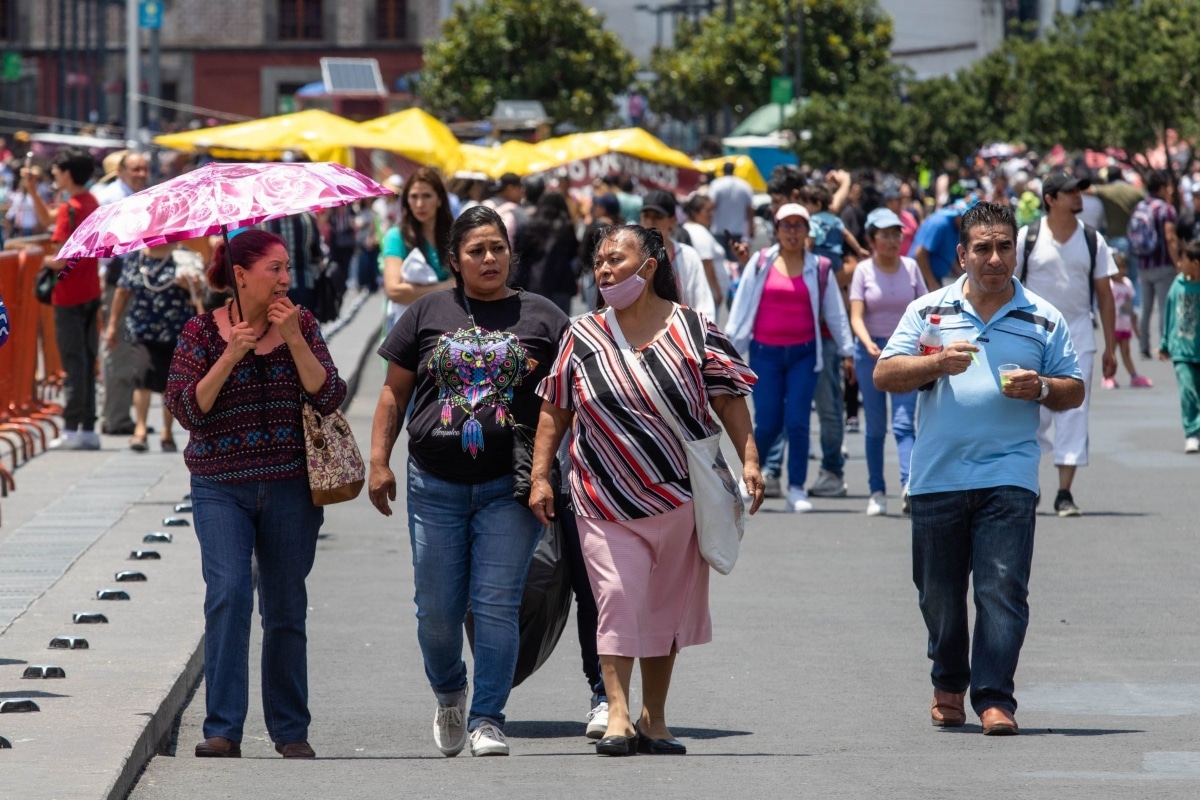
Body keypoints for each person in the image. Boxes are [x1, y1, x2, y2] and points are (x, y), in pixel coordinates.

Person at [528, 223, 763, 757]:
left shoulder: (696, 330)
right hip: (600, 497)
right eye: (600, 261)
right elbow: (555, 409)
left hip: (679, 498)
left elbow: (728, 399)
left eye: (617, 259)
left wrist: (749, 457)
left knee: (664, 608)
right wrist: (542, 475)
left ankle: (654, 718)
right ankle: (615, 711)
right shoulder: (582, 335)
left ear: (650, 265)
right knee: (615, 601)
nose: (605, 269)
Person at [874, 202, 1084, 736]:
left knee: (1002, 589)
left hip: (1009, 477)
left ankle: (994, 696)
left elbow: (1073, 387)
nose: (995, 258)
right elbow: (885, 373)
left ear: (1016, 250)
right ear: (962, 253)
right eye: (983, 248)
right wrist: (936, 363)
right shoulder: (929, 312)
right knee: (938, 592)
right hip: (937, 476)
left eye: (1005, 247)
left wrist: (1039, 386)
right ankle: (948, 682)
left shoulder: (1043, 316)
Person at [368, 206, 568, 758]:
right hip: (434, 484)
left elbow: (563, 403)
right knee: (436, 609)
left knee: (496, 603)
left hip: (511, 488)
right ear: (454, 259)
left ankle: (487, 717)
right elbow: (393, 392)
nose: (489, 259)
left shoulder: (545, 318)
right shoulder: (426, 311)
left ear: (511, 254)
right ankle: (450, 689)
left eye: (498, 248)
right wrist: (379, 461)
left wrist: (547, 475)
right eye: (477, 250)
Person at [164, 229, 347, 759]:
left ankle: (290, 730)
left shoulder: (303, 323)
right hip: (221, 485)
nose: (286, 278)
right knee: (229, 596)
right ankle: (222, 727)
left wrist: (291, 339)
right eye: (275, 268)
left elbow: (330, 394)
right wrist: (230, 355)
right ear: (241, 275)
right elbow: (187, 411)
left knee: (286, 606)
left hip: (291, 484)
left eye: (287, 267)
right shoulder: (200, 331)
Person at [726, 203, 853, 513]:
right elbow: (741, 308)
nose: (793, 231)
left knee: (797, 423)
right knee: (767, 423)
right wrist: (726, 350)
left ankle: (796, 488)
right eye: (787, 225)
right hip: (764, 354)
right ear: (777, 230)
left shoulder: (820, 267)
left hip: (804, 355)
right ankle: (748, 479)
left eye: (799, 225)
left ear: (808, 232)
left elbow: (836, 313)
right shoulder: (759, 262)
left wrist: (848, 351)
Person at [1014, 171, 1117, 517]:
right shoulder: (1027, 237)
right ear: (1050, 198)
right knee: (1030, 413)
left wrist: (1111, 347)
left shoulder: (1093, 240)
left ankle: (1064, 493)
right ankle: (1029, 483)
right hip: (1032, 338)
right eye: (1070, 191)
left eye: (1080, 190)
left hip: (1078, 337)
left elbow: (1105, 295)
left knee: (1074, 413)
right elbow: (1009, 288)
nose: (1079, 196)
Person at [848, 208, 927, 516]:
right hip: (871, 352)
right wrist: (866, 341)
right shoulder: (863, 271)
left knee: (905, 422)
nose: (893, 241)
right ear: (872, 240)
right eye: (886, 235)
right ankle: (877, 491)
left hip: (905, 351)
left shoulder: (910, 268)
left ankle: (909, 486)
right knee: (876, 428)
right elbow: (855, 314)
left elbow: (926, 308)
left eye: (897, 234)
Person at [25, 147, 103, 450]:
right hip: (90, 292)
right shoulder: (90, 202)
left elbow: (59, 258)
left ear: (67, 173)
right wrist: (32, 191)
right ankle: (88, 427)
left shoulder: (70, 206)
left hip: (68, 295)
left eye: (56, 171)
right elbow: (49, 218)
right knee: (87, 360)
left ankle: (71, 428)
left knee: (73, 363)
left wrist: (42, 261)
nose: (54, 175)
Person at [96, 152, 151, 437]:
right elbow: (109, 246)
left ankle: (120, 415)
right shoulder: (112, 198)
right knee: (116, 348)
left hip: (129, 282)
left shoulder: (135, 196)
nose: (141, 173)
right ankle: (115, 418)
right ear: (120, 171)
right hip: (118, 283)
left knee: (127, 351)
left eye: (144, 168)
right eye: (135, 169)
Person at [380, 167, 455, 335]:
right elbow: (394, 291)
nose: (420, 204)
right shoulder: (396, 236)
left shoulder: (456, 234)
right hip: (409, 328)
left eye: (426, 196)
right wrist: (446, 288)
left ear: (440, 199)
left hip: (449, 325)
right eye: (414, 196)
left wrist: (415, 291)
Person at [638, 190, 716, 320]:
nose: (651, 222)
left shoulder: (688, 256)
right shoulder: (632, 255)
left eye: (658, 216)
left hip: (680, 333)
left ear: (672, 220)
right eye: (646, 216)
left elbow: (703, 304)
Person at [1129, 170, 1179, 358]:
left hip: (1143, 263)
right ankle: (1164, 346)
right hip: (1163, 264)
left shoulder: (1139, 207)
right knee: (1165, 306)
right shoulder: (1166, 209)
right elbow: (1170, 237)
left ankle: (1143, 346)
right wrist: (1178, 263)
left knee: (1145, 307)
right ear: (1161, 187)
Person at [1158, 239, 1200, 454]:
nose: (1179, 264)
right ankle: (1192, 432)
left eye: (1182, 260)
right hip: (1182, 352)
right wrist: (1165, 342)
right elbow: (1169, 314)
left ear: (1195, 263)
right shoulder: (1178, 284)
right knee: (1187, 392)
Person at [513, 191, 579, 315]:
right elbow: (573, 253)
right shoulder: (566, 227)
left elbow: (520, 254)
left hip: (535, 283)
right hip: (561, 283)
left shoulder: (529, 226)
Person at [1103, 256, 1152, 389]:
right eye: (1119, 268)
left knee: (1126, 353)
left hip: (1125, 326)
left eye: (1124, 268)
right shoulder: (1110, 286)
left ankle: (1134, 377)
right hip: (1114, 326)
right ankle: (1108, 377)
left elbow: (1130, 307)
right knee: (1111, 352)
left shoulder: (1127, 284)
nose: (1122, 271)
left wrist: (1135, 328)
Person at [911, 201, 970, 291]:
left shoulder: (958, 228)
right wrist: (931, 282)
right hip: (920, 278)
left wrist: (965, 277)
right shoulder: (939, 224)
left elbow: (948, 256)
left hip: (935, 278)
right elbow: (920, 254)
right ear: (957, 214)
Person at [682, 193, 727, 309]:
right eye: (707, 211)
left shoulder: (689, 228)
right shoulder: (699, 232)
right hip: (708, 294)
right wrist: (717, 291)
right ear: (695, 213)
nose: (711, 215)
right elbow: (706, 263)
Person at [708, 162, 755, 261]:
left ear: (723, 170)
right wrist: (751, 228)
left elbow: (710, 206)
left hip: (719, 229)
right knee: (736, 262)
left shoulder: (717, 184)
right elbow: (750, 210)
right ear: (734, 170)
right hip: (737, 230)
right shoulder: (744, 185)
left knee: (720, 262)